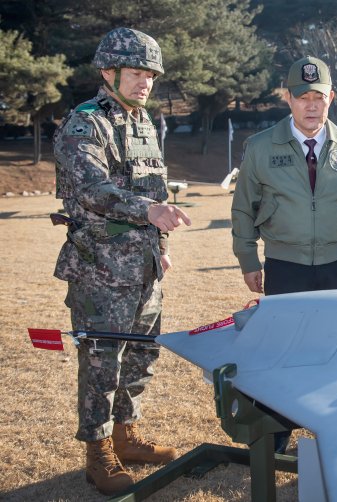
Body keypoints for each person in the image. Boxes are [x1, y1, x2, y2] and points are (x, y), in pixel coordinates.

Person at [53, 27, 191, 495]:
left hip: (145, 267)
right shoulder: (84, 124)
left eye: (150, 75)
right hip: (101, 271)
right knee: (101, 362)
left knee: (141, 356)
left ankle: (126, 434)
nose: (145, 83)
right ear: (108, 71)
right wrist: (148, 212)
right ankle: (97, 451)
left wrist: (162, 250)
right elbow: (93, 190)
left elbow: (156, 188)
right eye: (136, 73)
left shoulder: (144, 123)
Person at [231, 56, 337, 450]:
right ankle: (275, 433)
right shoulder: (260, 147)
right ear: (287, 99)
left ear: (332, 97)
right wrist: (248, 259)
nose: (311, 105)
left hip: (335, 265)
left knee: (333, 349)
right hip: (285, 264)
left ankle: (331, 431)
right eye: (302, 97)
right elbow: (243, 208)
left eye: (319, 96)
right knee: (282, 351)